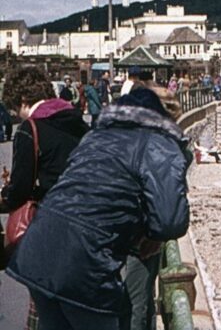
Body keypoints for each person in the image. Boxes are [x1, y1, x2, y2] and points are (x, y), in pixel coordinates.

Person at [6, 85, 190, 330]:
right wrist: (152, 235)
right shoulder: (159, 144)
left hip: (39, 249)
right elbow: (170, 220)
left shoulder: (96, 136)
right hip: (84, 263)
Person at [0, 66, 90, 328]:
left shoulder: (30, 128)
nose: (17, 115)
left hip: (52, 226)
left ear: (23, 100)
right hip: (86, 223)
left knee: (44, 308)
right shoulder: (77, 122)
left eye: (16, 109)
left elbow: (20, 189)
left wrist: (5, 195)